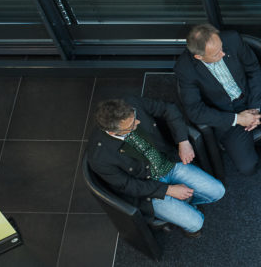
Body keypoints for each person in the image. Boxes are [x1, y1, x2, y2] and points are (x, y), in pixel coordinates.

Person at [175, 24, 261, 175]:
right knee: (248, 168)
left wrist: (255, 108)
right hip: (227, 113)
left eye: (221, 47)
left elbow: (254, 69)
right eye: (216, 54)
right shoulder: (185, 69)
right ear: (199, 56)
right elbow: (194, 111)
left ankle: (260, 144)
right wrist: (237, 119)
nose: (223, 53)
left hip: (252, 95)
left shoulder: (232, 39)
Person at [87, 97, 225, 238]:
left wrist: (183, 141)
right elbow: (129, 186)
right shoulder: (99, 157)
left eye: (134, 117)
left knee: (218, 192)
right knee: (196, 223)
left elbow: (169, 108)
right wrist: (168, 190)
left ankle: (184, 205)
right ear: (112, 133)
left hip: (168, 163)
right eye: (131, 125)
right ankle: (184, 209)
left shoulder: (130, 104)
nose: (138, 122)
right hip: (147, 188)